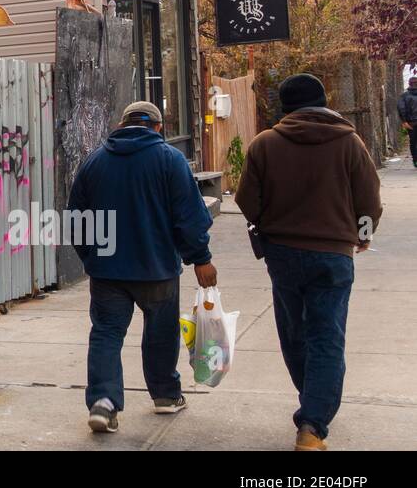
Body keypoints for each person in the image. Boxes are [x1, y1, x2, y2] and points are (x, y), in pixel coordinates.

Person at [237, 73, 382, 451]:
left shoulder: (264, 144)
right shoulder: (350, 143)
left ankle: (314, 403)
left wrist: (266, 226)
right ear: (325, 100)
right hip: (333, 254)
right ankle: (313, 422)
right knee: (326, 335)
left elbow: (246, 200)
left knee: (294, 334)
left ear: (284, 107)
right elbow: (369, 201)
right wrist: (362, 234)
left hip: (282, 254)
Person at [69, 101, 216, 434]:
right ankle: (165, 395)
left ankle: (103, 404)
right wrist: (200, 258)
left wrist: (91, 256)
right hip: (157, 268)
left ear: (122, 124)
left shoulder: (95, 162)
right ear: (158, 127)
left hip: (107, 272)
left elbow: (76, 219)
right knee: (160, 333)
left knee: (106, 333)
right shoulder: (170, 160)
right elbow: (189, 219)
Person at [399, 75, 417, 169]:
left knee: (413, 142)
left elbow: (401, 108)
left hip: (411, 123)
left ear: (409, 84)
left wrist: (404, 121)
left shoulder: (404, 96)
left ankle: (415, 160)